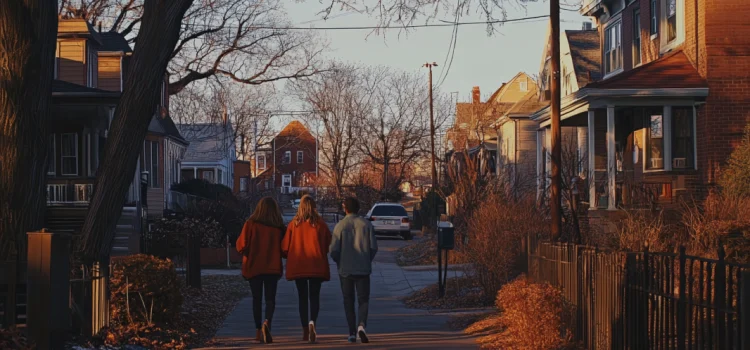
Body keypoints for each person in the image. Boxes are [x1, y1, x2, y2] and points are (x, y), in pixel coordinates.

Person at [235, 197, 285, 344]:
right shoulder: (279, 227)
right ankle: (267, 322)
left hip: (254, 266)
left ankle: (258, 331)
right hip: (272, 267)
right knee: (270, 299)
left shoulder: (250, 224)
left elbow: (241, 246)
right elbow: (284, 249)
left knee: (256, 299)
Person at [282, 195, 332, 343]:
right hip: (316, 265)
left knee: (302, 298)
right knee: (314, 297)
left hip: (299, 266)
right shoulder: (321, 224)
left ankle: (305, 331)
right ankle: (313, 323)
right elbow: (328, 244)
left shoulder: (293, 225)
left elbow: (285, 247)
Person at [330, 197, 378, 344]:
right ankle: (361, 325)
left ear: (345, 208)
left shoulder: (340, 226)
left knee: (348, 300)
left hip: (345, 269)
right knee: (363, 300)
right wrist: (366, 259)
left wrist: (340, 261)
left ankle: (351, 332)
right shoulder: (366, 224)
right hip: (363, 269)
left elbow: (333, 250)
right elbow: (373, 247)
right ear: (358, 208)